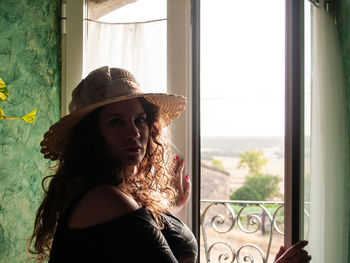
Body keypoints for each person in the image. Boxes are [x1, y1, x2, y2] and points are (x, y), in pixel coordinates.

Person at [28, 66, 311, 263]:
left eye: (139, 120)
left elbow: (135, 234)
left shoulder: (114, 195)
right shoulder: (105, 198)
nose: (134, 132)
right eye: (116, 122)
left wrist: (172, 206)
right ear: (91, 136)